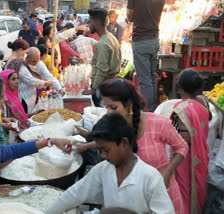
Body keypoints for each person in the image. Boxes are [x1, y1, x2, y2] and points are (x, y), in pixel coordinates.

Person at [76, 78, 188, 214]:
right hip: (133, 199)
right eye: (106, 107)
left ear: (129, 106)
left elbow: (182, 147)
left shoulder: (159, 124)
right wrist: (86, 146)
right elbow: (108, 144)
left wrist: (168, 172)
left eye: (113, 107)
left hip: (164, 194)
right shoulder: (115, 127)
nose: (108, 113)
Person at [46, 113, 175, 214]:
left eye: (106, 150)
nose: (102, 155)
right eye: (100, 150)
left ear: (124, 143)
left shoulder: (150, 178)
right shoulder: (103, 170)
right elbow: (73, 194)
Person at [127, 0, 165, 112]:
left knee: (145, 80)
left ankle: (148, 111)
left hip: (141, 40)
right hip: (154, 40)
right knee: (152, 77)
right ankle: (153, 109)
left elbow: (130, 16)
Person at [82, 8, 121, 107]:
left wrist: (93, 89)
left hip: (104, 88)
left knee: (103, 114)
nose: (88, 25)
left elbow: (102, 69)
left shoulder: (103, 43)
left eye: (90, 22)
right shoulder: (111, 37)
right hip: (111, 84)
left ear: (96, 23)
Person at [18, 47, 64, 114]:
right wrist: (45, 83)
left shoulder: (39, 63)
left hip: (33, 96)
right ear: (27, 58)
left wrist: (60, 89)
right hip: (23, 97)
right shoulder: (21, 65)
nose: (36, 63)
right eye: (34, 61)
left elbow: (49, 77)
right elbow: (31, 80)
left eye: (38, 60)